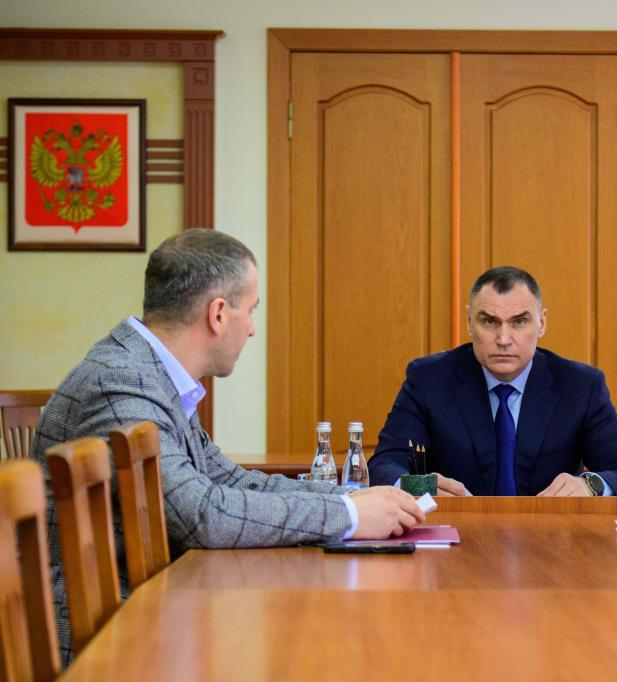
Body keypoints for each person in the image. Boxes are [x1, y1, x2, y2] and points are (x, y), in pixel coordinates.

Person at [31, 229, 424, 663]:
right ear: (218, 314)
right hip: (100, 634)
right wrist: (348, 516)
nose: (252, 329)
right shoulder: (123, 381)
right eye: (251, 311)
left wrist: (349, 497)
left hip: (148, 605)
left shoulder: (151, 373)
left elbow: (227, 478)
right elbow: (201, 514)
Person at [369, 266, 617, 496]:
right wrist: (418, 487)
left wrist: (590, 485)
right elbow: (384, 465)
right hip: (457, 534)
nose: (504, 339)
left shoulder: (580, 386)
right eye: (489, 321)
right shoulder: (429, 379)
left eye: (519, 322)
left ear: (541, 323)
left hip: (550, 539)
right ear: (469, 323)